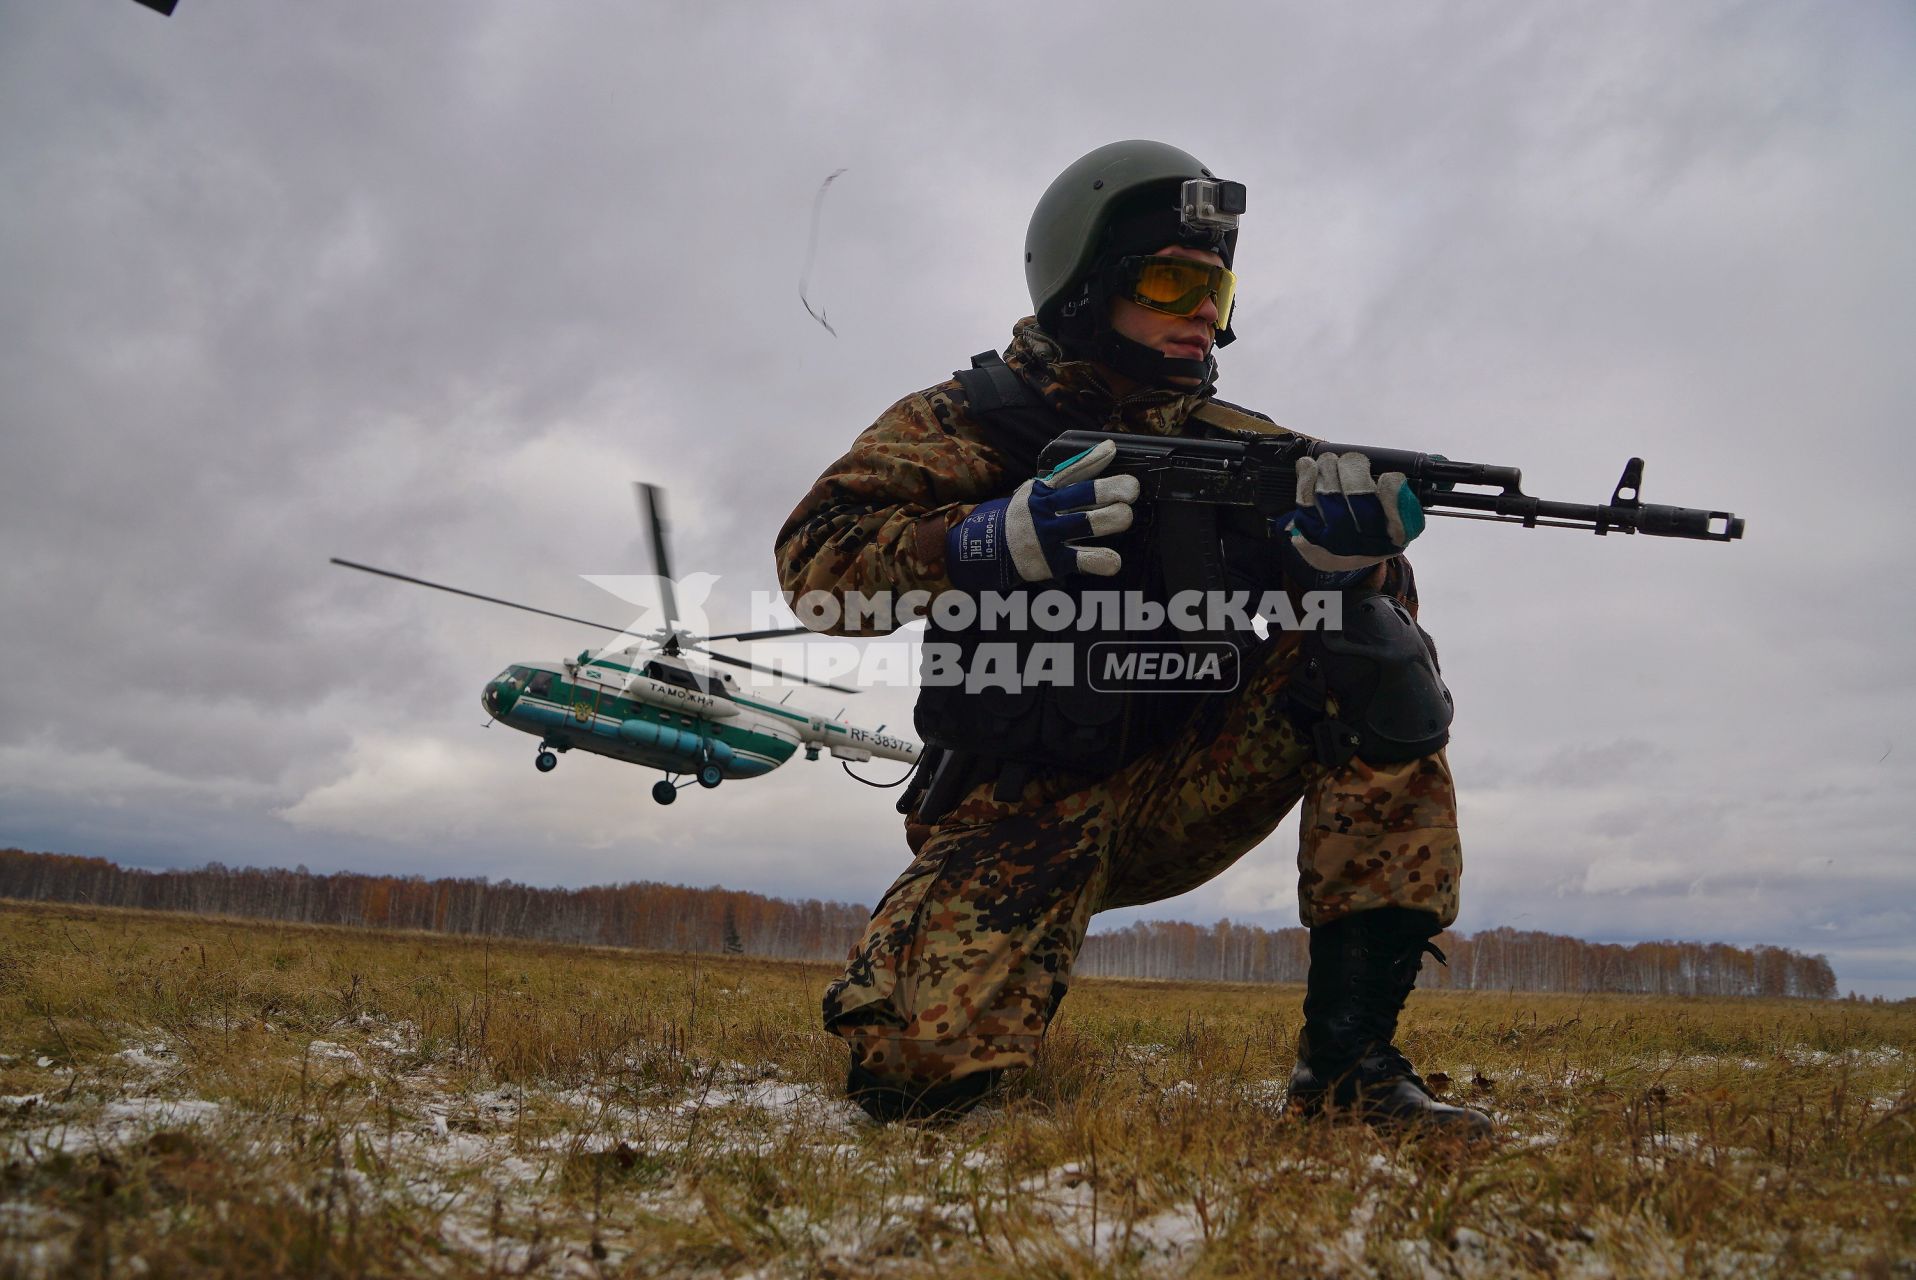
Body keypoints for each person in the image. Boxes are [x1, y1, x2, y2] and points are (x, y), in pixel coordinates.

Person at [775, 140, 1489, 1137]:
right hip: (1012, 805)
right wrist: (983, 538)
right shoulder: (966, 423)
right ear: (1085, 286)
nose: (1202, 311)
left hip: (1179, 784)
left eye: (1216, 290)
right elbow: (815, 565)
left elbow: (1356, 609)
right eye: (1169, 282)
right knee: (911, 1074)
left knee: (1369, 648)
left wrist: (1341, 565)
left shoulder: (1249, 445)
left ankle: (1347, 1071)